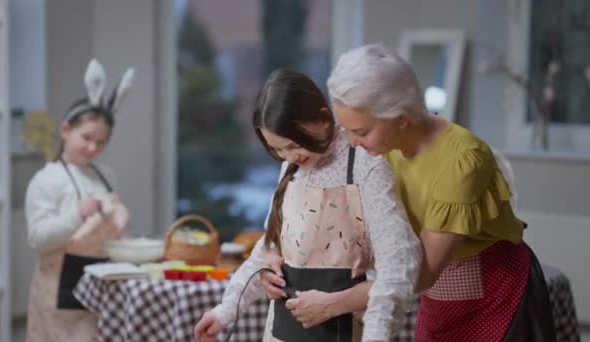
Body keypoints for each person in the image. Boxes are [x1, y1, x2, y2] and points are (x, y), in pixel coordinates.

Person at [262, 43, 557, 341]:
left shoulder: (461, 162)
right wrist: (277, 250)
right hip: (437, 299)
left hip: (495, 297)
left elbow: (419, 273)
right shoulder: (380, 148)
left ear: (401, 118)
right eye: (346, 128)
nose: (350, 142)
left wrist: (334, 303)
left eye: (361, 132)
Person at [194, 69, 421, 342]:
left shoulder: (365, 166)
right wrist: (224, 311)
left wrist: (358, 323)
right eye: (277, 149)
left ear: (323, 118)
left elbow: (398, 268)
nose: (288, 156)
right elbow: (269, 247)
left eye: (292, 144)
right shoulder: (291, 168)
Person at [24, 59, 134, 341]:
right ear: (65, 130)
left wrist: (118, 218)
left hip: (101, 293)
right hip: (60, 299)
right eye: (86, 137)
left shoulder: (105, 176)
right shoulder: (48, 180)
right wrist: (76, 214)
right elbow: (38, 238)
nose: (92, 147)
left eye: (101, 143)